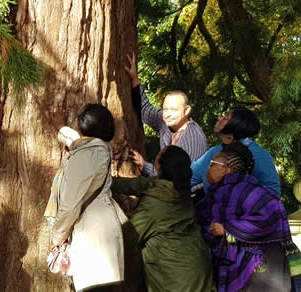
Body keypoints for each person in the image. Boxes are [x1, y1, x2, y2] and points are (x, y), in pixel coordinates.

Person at [45, 104, 128, 292]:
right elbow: (76, 142)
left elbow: (69, 205)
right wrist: (61, 128)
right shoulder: (99, 149)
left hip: (93, 239)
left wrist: (58, 237)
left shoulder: (87, 154)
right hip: (102, 235)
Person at [111, 146, 214, 292]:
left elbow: (125, 238)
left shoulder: (156, 205)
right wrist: (107, 182)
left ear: (159, 166)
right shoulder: (177, 188)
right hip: (198, 268)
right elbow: (140, 184)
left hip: (177, 279)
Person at [203, 142, 296, 292]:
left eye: (212, 164)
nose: (208, 169)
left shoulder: (249, 191)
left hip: (260, 270)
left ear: (227, 169)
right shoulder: (217, 194)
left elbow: (268, 218)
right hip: (240, 267)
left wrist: (228, 229)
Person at [124, 52, 208, 176]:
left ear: (187, 110)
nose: (168, 114)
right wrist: (134, 79)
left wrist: (145, 166)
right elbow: (145, 109)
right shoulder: (166, 122)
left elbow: (183, 177)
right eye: (165, 109)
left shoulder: (193, 138)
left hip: (187, 192)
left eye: (174, 110)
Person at [191, 107, 280, 196]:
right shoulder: (214, 151)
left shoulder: (259, 155)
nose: (219, 118)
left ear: (238, 124)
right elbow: (189, 176)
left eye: (226, 117)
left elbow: (272, 193)